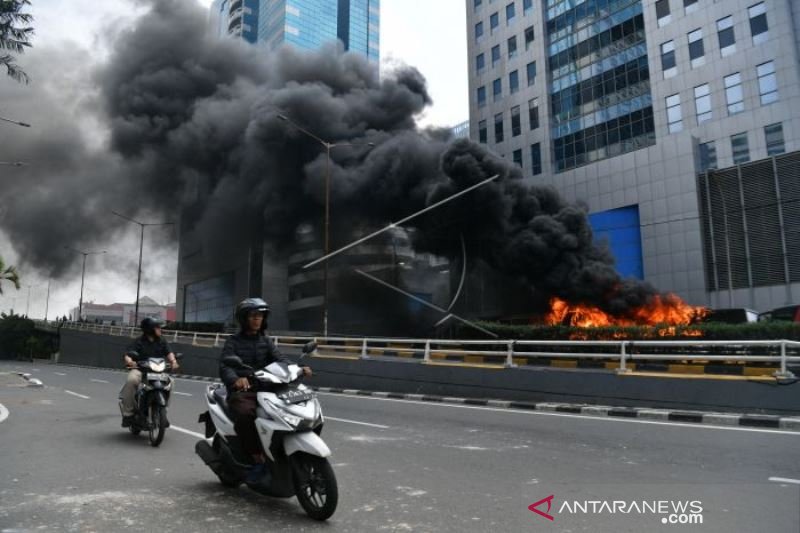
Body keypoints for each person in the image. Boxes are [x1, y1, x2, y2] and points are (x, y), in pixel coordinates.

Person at [219, 297, 312, 483]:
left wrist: (298, 368)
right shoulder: (233, 342)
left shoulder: (266, 341)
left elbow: (281, 359)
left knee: (298, 403)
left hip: (269, 388)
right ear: (244, 318)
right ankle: (256, 459)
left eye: (260, 316)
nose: (257, 319)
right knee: (246, 415)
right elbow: (225, 365)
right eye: (253, 316)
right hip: (245, 391)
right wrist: (236, 379)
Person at [120, 317, 179, 427]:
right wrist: (130, 361)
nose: (160, 330)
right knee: (131, 380)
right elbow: (128, 355)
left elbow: (169, 352)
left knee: (171, 382)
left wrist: (173, 361)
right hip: (141, 370)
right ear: (150, 329)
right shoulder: (139, 341)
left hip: (158, 371)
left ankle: (163, 411)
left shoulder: (162, 340)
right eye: (157, 328)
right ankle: (128, 414)